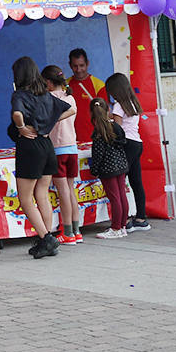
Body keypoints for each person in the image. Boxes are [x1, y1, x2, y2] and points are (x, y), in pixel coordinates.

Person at [10, 56, 73, 259]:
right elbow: (71, 109)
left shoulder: (20, 94)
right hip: (47, 146)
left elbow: (17, 114)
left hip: (30, 147)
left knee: (25, 198)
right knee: (42, 194)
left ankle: (46, 238)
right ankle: (46, 238)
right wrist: (47, 125)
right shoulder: (45, 95)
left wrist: (21, 127)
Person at [42, 65, 83, 244]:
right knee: (70, 189)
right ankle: (76, 230)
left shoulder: (49, 98)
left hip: (58, 149)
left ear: (49, 82)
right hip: (72, 148)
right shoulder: (70, 97)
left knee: (63, 191)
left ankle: (67, 232)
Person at [106, 72, 150, 232]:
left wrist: (108, 121)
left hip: (126, 144)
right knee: (136, 181)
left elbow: (117, 129)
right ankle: (141, 218)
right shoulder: (132, 102)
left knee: (119, 181)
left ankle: (122, 220)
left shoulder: (118, 105)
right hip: (137, 143)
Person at [87, 98, 130, 239]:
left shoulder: (98, 133)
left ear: (92, 114)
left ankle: (116, 228)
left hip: (107, 169)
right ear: (108, 110)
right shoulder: (116, 127)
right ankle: (122, 226)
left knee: (114, 197)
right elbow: (123, 142)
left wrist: (94, 170)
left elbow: (98, 155)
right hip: (121, 165)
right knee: (122, 196)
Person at [68, 48, 105, 142]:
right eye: (75, 66)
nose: (78, 70)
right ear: (70, 65)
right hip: (70, 139)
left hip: (94, 139)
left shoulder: (99, 85)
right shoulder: (65, 86)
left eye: (81, 65)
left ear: (87, 63)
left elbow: (104, 115)